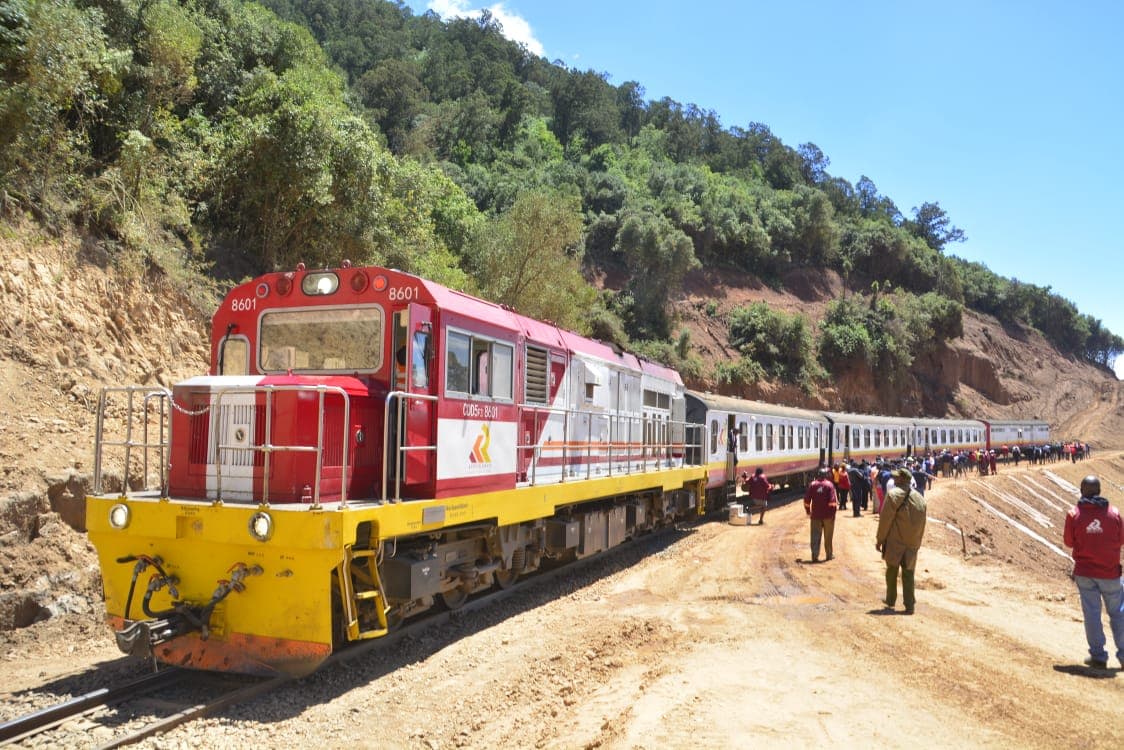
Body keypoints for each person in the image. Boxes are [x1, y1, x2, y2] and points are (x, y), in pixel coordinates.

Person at [1062, 475, 1124, 670]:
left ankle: (1098, 656)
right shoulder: (1114, 513)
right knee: (1118, 613)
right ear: (1099, 491)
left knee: (1092, 613)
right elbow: (1122, 539)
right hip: (1110, 572)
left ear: (1082, 491)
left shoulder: (1074, 514)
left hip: (1085, 572)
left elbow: (1068, 542)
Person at [876, 467, 928, 614]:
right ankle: (910, 605)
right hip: (912, 543)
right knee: (909, 573)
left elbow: (885, 521)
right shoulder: (920, 498)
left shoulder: (893, 495)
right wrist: (917, 543)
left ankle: (891, 599)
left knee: (892, 571)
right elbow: (922, 524)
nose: (894, 479)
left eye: (897, 478)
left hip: (895, 542)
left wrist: (880, 539)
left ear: (901, 480)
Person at [804, 467, 838, 562]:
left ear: (817, 476)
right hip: (828, 516)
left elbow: (806, 500)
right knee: (828, 537)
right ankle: (829, 555)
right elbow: (832, 502)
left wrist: (808, 511)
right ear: (826, 476)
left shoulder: (812, 485)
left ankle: (815, 556)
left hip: (815, 516)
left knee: (815, 536)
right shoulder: (829, 485)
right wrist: (832, 514)